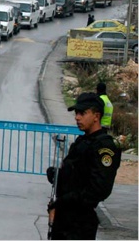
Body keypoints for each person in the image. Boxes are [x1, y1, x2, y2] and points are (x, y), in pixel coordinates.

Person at [46, 92, 121, 240]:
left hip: (80, 223)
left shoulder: (104, 147)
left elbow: (98, 189)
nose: (77, 117)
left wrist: (64, 201)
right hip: (64, 220)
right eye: (76, 113)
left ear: (96, 116)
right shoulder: (82, 142)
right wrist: (57, 175)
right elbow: (75, 175)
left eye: (82, 113)